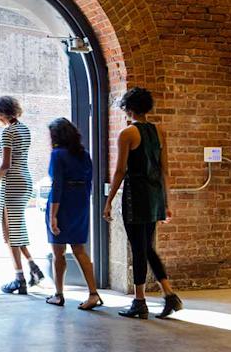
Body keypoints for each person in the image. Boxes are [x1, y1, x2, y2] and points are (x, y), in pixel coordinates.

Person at [103, 86, 183, 319]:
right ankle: (168, 294)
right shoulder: (159, 131)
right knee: (146, 247)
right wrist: (166, 202)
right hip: (154, 195)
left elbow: (120, 171)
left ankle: (140, 301)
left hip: (135, 196)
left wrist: (109, 201)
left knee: (139, 248)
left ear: (129, 108)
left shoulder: (127, 134)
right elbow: (165, 170)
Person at [0, 95, 44, 294]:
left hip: (12, 184)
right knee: (16, 230)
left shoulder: (7, 131)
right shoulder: (23, 129)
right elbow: (15, 155)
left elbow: (6, 165)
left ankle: (19, 279)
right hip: (25, 180)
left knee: (9, 234)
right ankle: (33, 269)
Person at [44, 118, 103, 310]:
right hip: (80, 202)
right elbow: (89, 182)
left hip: (62, 204)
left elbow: (57, 185)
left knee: (58, 252)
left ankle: (59, 294)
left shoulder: (57, 154)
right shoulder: (84, 154)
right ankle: (93, 293)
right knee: (79, 249)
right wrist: (83, 204)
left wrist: (53, 215)